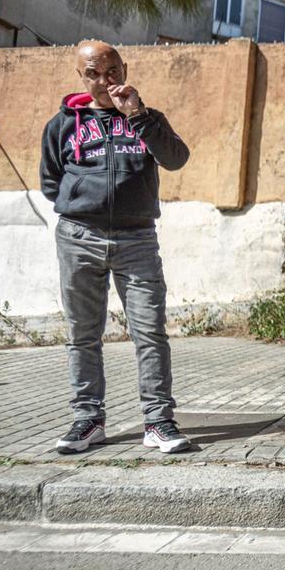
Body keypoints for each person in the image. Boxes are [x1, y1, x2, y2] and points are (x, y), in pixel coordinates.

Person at [40, 40, 192, 455]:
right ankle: (88, 420)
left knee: (149, 332)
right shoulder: (63, 125)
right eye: (94, 74)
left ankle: (158, 422)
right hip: (78, 238)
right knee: (83, 334)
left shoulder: (147, 118)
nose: (105, 82)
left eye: (112, 72)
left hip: (137, 239)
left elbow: (176, 158)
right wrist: (82, 208)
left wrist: (138, 116)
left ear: (124, 69)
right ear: (81, 76)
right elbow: (51, 180)